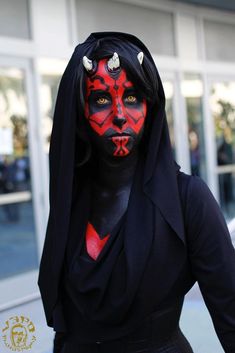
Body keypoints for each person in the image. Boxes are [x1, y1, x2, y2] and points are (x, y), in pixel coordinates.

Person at [38, 32, 235, 353]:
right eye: (101, 99)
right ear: (79, 112)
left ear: (151, 105)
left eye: (131, 98)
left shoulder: (188, 200)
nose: (118, 114)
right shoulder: (71, 202)